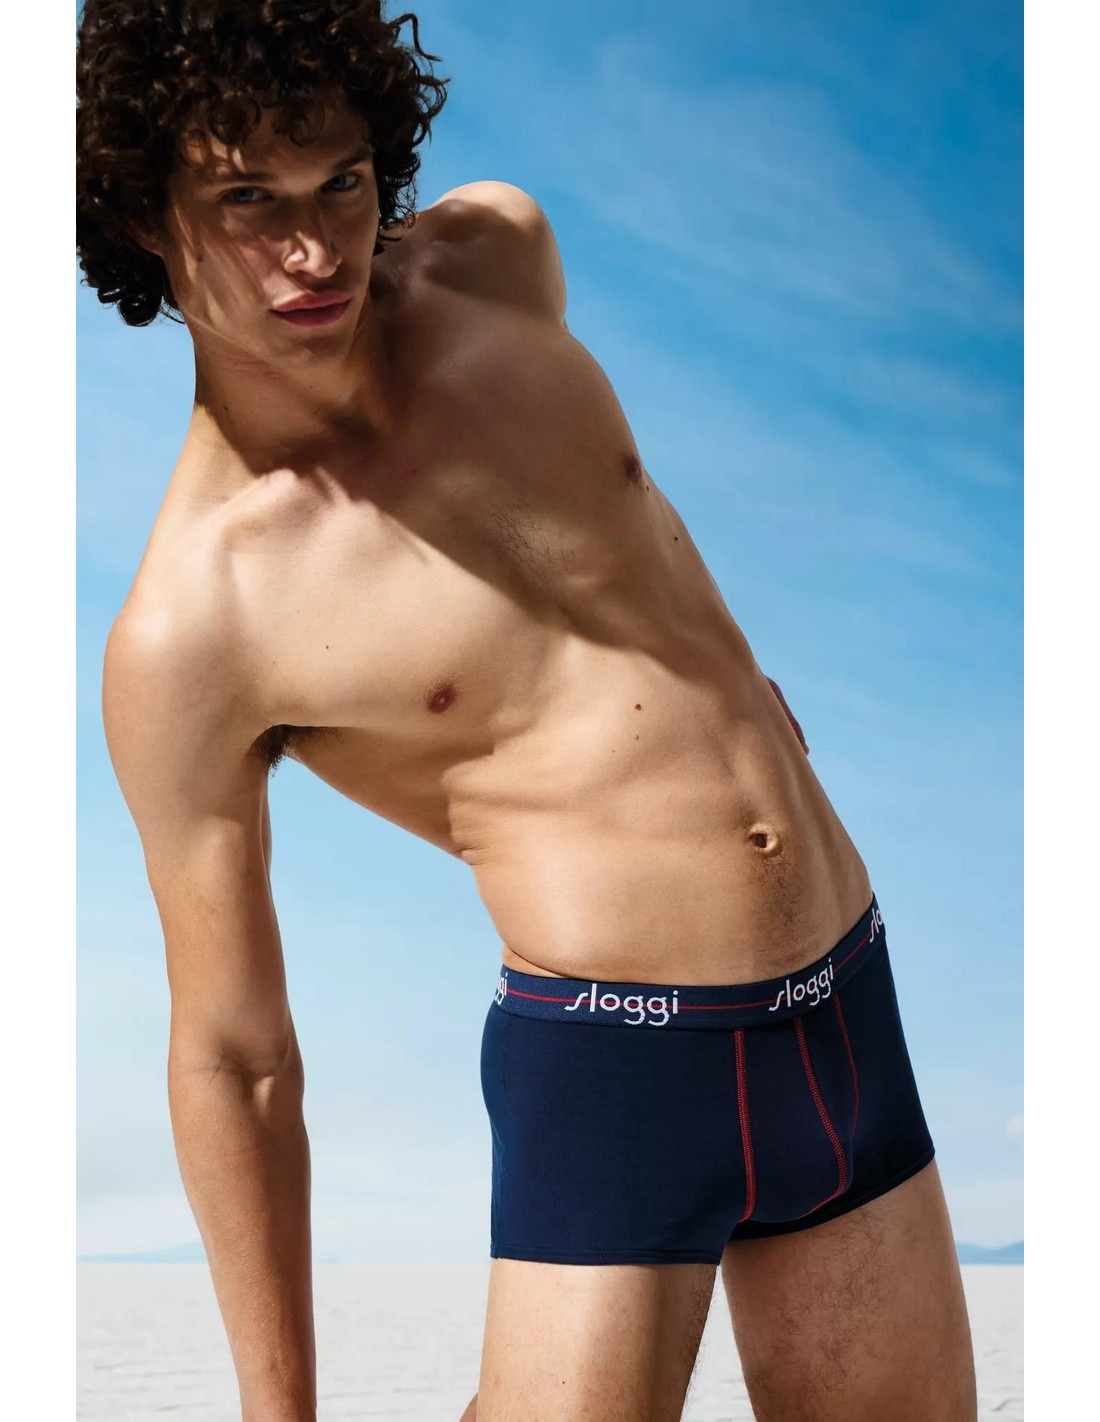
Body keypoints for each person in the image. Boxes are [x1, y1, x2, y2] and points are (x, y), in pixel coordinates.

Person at [77, 2, 978, 1419]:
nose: (314, 252)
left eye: (341, 184)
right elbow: (237, 1058)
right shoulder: (197, 625)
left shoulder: (499, 259)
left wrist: (729, 688)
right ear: (145, 213)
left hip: (848, 1010)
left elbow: (621, 549)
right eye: (249, 201)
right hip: (623, 1077)